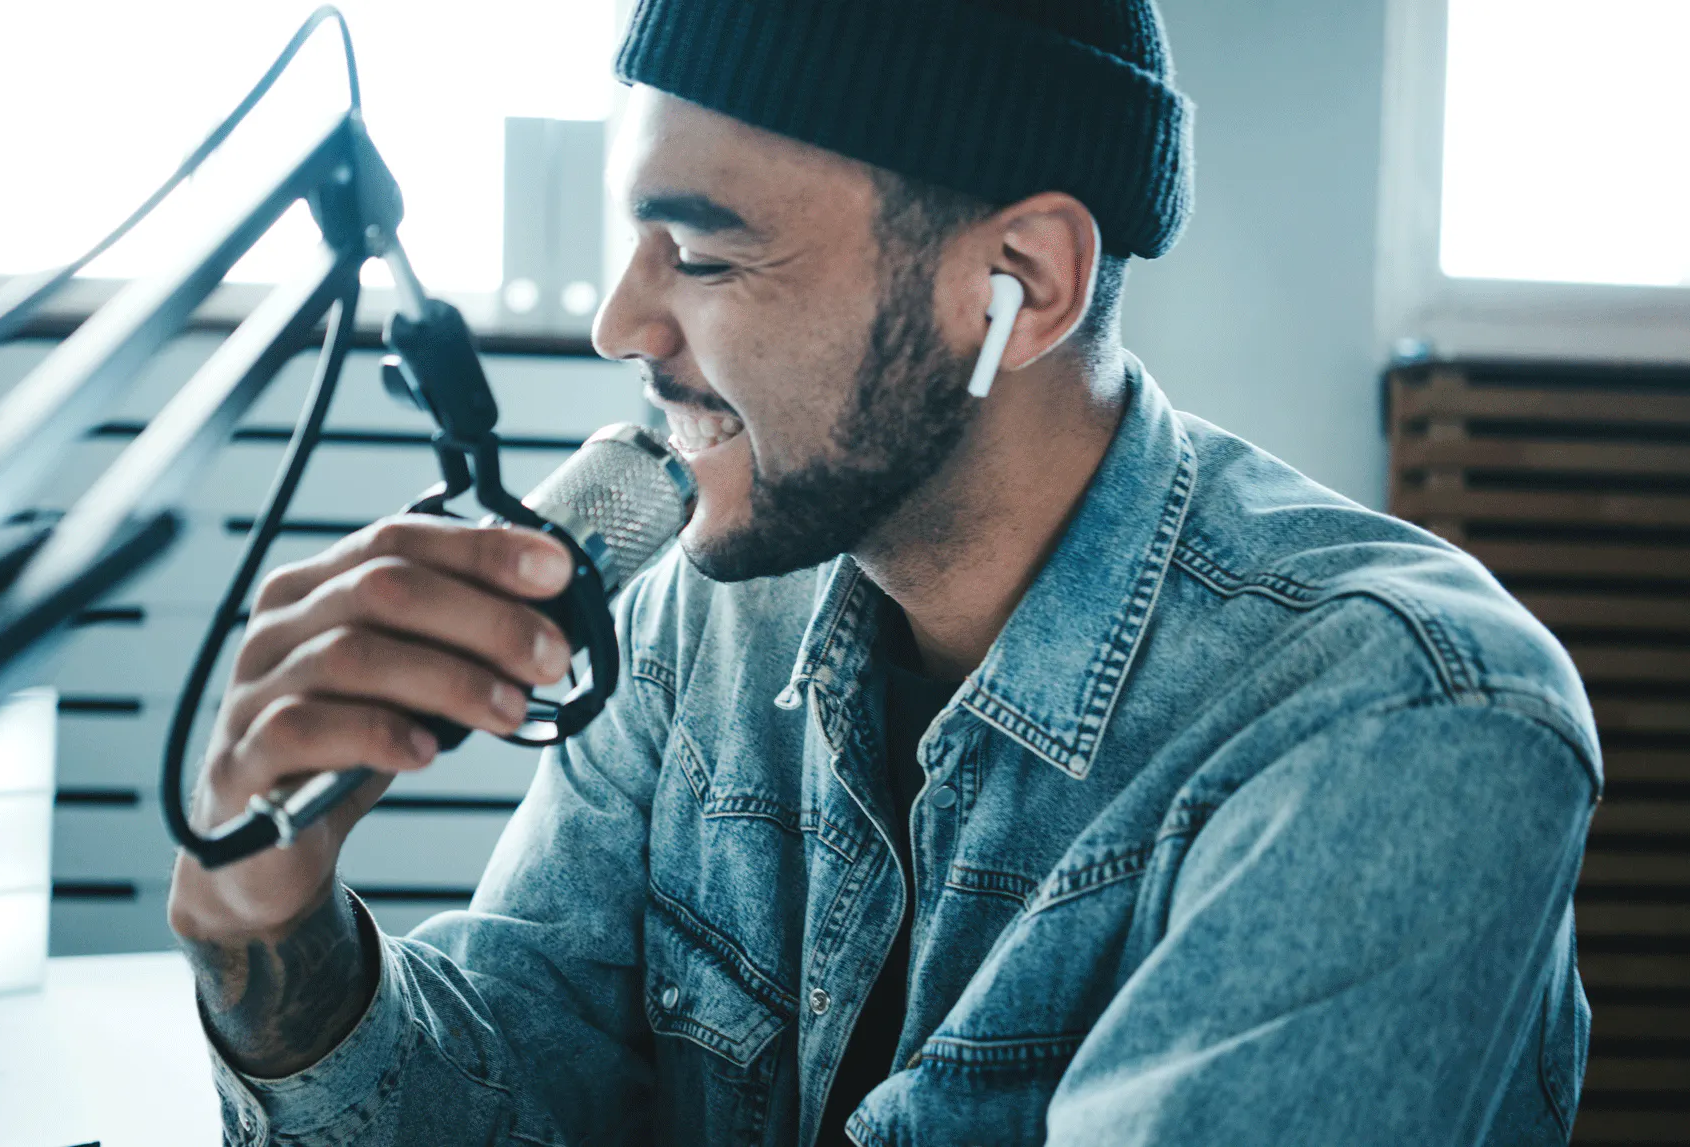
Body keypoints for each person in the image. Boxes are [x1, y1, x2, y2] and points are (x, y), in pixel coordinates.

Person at [167, 1, 1601, 1143]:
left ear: (1019, 284)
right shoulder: (698, 615)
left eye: (707, 257)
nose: (619, 325)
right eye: (634, 242)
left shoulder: (1394, 726)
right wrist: (271, 937)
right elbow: (512, 1104)